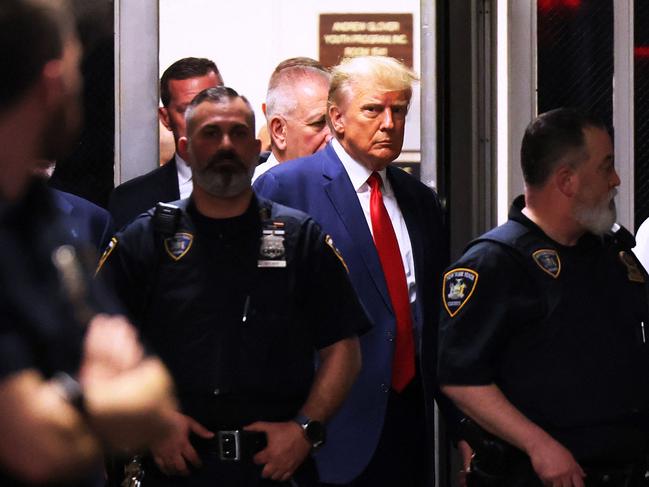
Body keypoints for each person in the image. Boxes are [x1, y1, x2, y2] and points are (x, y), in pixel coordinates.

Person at [98, 86, 369, 486]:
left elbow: (343, 350)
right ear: (186, 148)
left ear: (256, 146)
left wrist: (304, 430)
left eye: (238, 133)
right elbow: (95, 347)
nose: (226, 144)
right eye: (211, 133)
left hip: (274, 467)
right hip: (171, 467)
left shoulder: (300, 239)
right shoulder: (145, 240)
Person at [0, 1, 177, 486]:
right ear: (53, 84)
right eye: (81, 67)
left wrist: (69, 403)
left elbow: (155, 394)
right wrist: (105, 391)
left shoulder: (44, 218)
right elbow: (37, 445)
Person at [254, 56, 449, 487]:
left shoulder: (419, 201)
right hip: (325, 426)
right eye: (373, 110)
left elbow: (428, 319)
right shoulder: (287, 187)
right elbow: (265, 317)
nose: (389, 123)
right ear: (337, 119)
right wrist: (296, 423)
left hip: (408, 420)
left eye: (399, 111)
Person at [438, 108, 649, 487]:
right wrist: (539, 446)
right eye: (606, 167)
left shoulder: (611, 252)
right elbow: (461, 379)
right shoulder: (495, 262)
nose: (615, 180)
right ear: (567, 181)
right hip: (540, 475)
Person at [108, 57, 224, 228]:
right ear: (166, 118)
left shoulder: (260, 180)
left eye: (214, 105)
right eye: (188, 110)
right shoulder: (132, 200)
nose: (204, 119)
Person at [252, 57, 331, 182]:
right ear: (279, 131)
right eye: (318, 123)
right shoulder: (251, 196)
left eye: (335, 121)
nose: (332, 136)